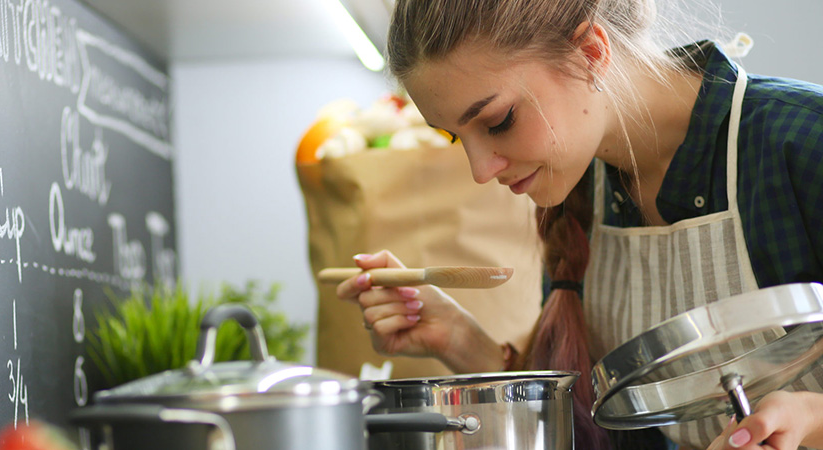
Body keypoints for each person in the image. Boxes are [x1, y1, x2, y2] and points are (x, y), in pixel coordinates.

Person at [333, 0, 823, 449]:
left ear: (591, 51)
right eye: (456, 137)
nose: (481, 171)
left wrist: (810, 417)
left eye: (499, 121)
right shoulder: (579, 195)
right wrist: (460, 341)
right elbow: (591, 431)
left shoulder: (802, 142)